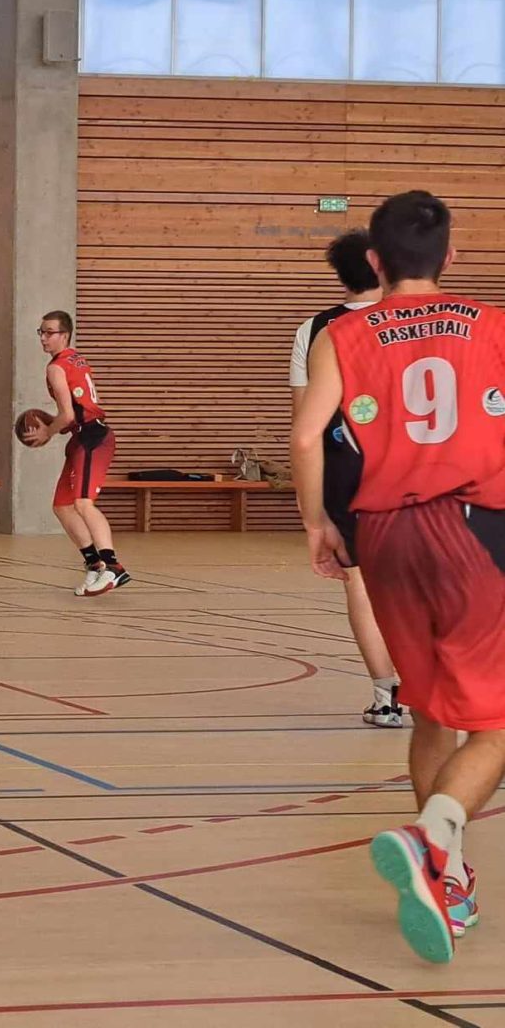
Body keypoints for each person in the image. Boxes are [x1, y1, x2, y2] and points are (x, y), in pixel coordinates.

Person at [293, 189, 505, 964]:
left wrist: (316, 523)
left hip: (382, 531)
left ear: (375, 260)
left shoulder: (340, 333)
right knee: (496, 723)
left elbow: (306, 435)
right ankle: (433, 834)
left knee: (429, 712)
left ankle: (446, 882)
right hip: (472, 527)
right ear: (450, 255)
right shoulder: (490, 325)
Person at [289, 232, 401, 728]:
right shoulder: (416, 322)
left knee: (359, 580)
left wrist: (311, 512)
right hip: (421, 469)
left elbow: (304, 424)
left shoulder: (315, 329)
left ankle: (385, 696)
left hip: (348, 471)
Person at [22, 311, 130, 595]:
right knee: (62, 505)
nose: (43, 338)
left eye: (49, 332)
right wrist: (54, 424)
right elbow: (73, 414)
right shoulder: (75, 359)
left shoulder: (56, 367)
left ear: (65, 334)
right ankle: (95, 564)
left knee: (83, 504)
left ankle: (114, 567)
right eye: (41, 332)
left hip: (93, 437)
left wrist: (47, 431)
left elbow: (68, 415)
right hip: (81, 437)